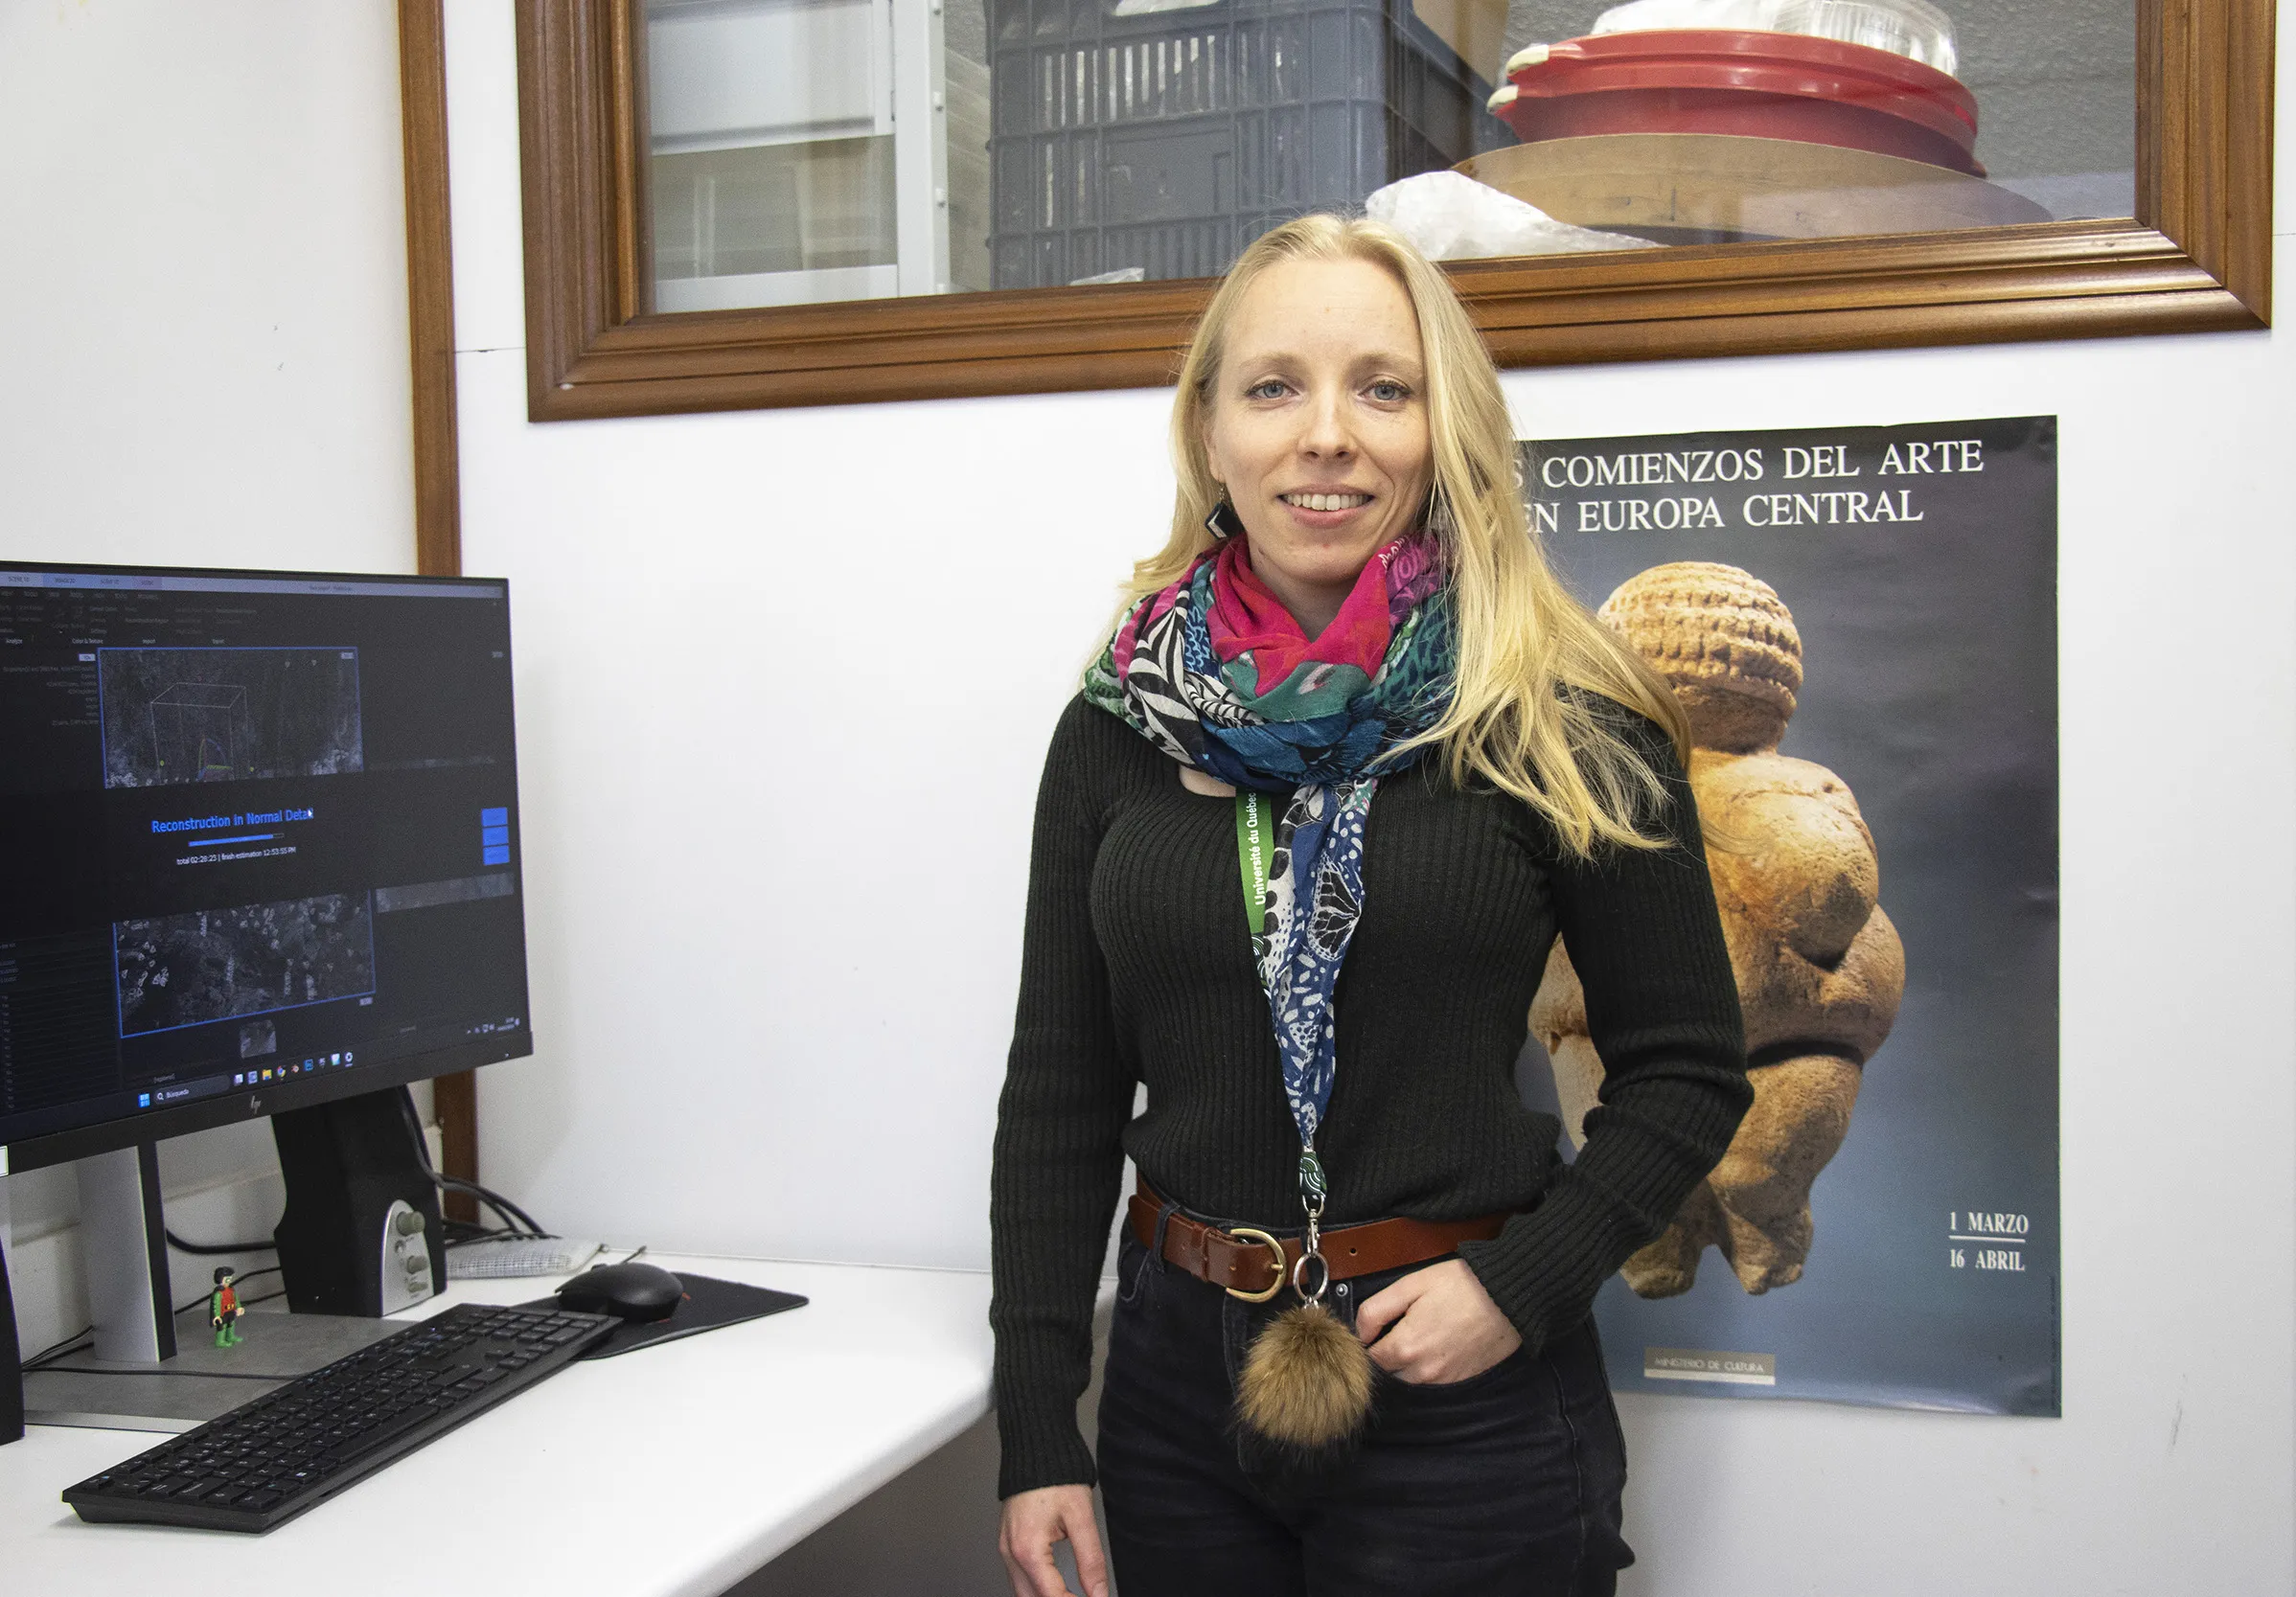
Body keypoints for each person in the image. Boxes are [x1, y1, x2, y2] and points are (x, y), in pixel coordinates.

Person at [990, 214, 1751, 1597]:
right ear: (1210, 432)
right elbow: (1058, 1095)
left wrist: (1517, 1290)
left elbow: (1690, 1072)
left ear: (1441, 428)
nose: (1326, 432)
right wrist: (1040, 1424)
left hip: (1463, 1386)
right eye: (1273, 385)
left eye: (1382, 387)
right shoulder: (1113, 727)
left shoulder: (1556, 712)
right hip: (1174, 1386)